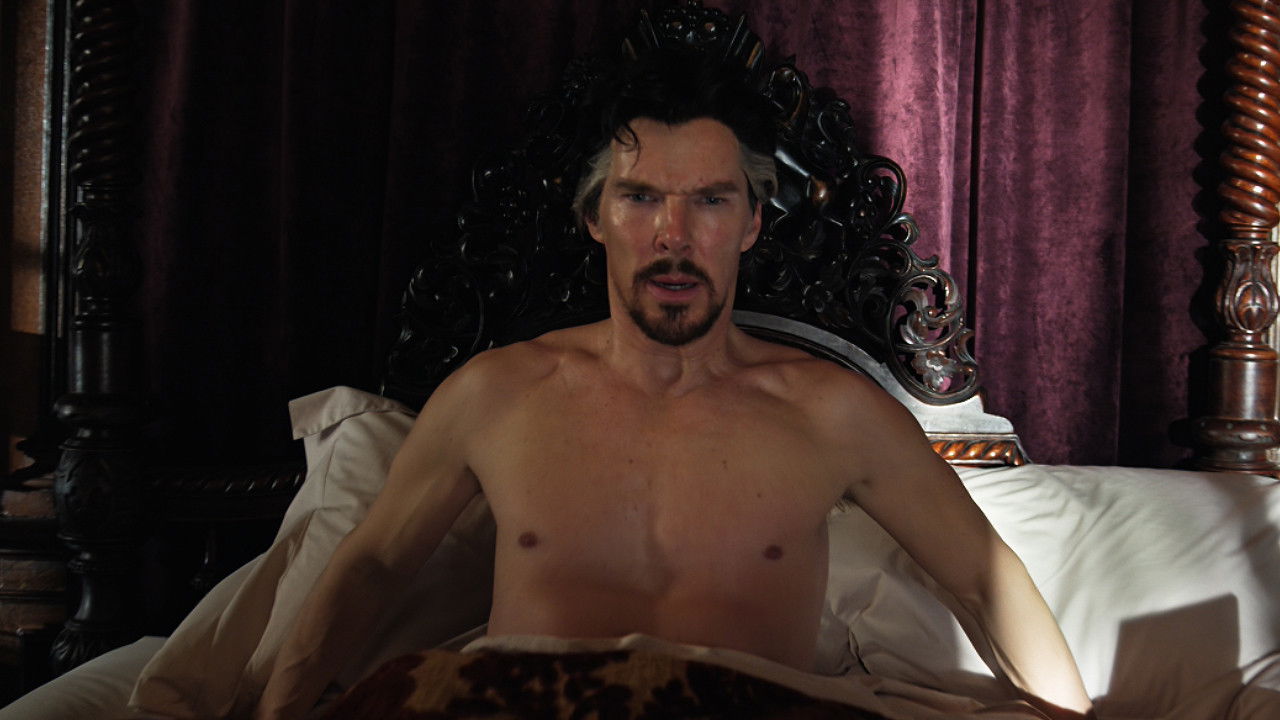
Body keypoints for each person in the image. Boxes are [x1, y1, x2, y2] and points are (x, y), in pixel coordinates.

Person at [255, 49, 1094, 719]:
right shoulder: (496, 395)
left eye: (711, 201)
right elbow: (372, 567)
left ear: (753, 221)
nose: (673, 235)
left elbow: (984, 578)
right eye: (640, 197)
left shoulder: (833, 413)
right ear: (593, 216)